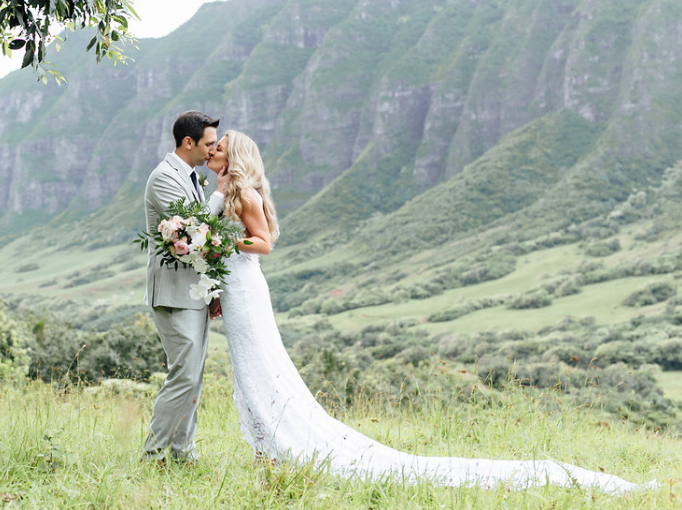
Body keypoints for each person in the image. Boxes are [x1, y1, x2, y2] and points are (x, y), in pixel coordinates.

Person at [206, 129, 652, 493]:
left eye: (220, 146)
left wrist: (220, 242)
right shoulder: (224, 190)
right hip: (235, 290)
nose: (213, 150)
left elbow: (264, 243)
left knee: (261, 369)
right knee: (248, 371)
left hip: (247, 289)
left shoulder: (246, 195)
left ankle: (275, 449)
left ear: (236, 155)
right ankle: (266, 451)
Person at [142, 110, 227, 464]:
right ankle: (153, 455)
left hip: (195, 292)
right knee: (184, 376)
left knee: (193, 376)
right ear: (188, 142)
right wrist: (220, 195)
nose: (212, 151)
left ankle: (182, 453)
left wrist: (213, 289)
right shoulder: (164, 177)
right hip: (174, 292)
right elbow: (194, 231)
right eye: (209, 144)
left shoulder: (191, 177)